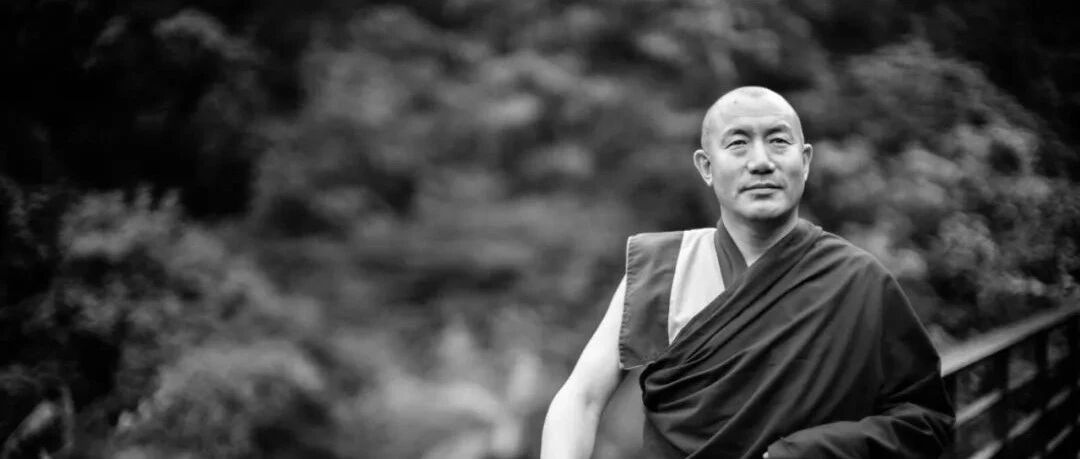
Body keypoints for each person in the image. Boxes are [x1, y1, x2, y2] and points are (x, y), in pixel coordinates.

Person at [540, 86, 954, 459]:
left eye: (778, 141)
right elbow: (581, 398)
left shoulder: (858, 280)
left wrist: (818, 451)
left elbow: (926, 421)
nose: (761, 162)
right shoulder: (664, 268)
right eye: (738, 143)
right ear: (706, 167)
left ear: (805, 161)